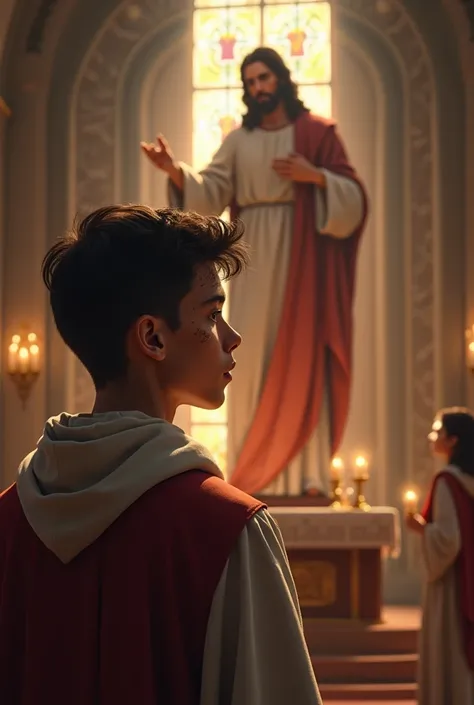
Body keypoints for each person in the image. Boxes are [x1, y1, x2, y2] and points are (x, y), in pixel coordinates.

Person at [0, 205, 323, 705]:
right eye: (213, 314)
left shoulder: (7, 521)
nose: (232, 337)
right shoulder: (228, 529)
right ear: (152, 337)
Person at [141, 46, 368, 498]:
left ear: (281, 79)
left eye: (264, 78)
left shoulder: (317, 134)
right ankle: (255, 469)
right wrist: (177, 173)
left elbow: (354, 202)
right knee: (250, 355)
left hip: (304, 263)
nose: (257, 88)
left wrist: (317, 177)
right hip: (252, 258)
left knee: (304, 357)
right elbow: (209, 193)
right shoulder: (239, 142)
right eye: (249, 82)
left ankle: (307, 475)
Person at [405, 407, 474, 705]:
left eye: (438, 431)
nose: (432, 436)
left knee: (450, 643)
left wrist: (420, 528)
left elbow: (448, 540)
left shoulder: (446, 480)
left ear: (454, 440)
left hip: (452, 581)